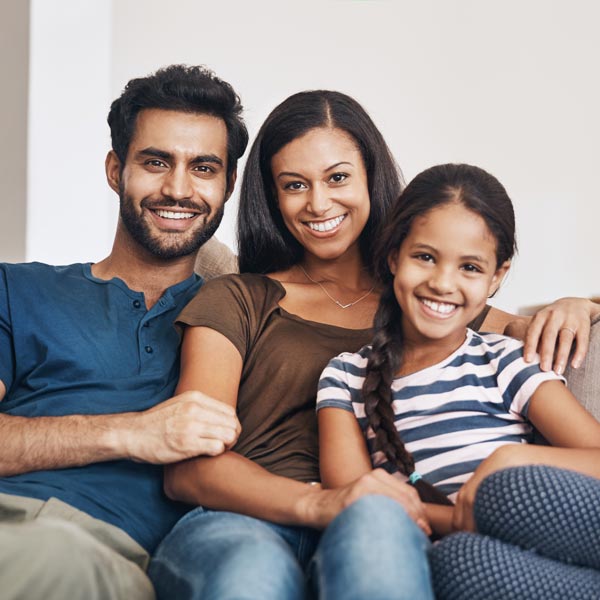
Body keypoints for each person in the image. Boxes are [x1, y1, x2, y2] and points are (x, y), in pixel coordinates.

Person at [149, 92, 598, 599]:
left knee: (382, 530)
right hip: (248, 520)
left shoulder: (424, 301)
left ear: (370, 178)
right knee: (253, 576)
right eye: (294, 185)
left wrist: (581, 304)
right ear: (272, 198)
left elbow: (514, 322)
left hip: (377, 522)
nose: (319, 203)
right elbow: (188, 465)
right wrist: (322, 502)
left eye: (337, 177)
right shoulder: (238, 297)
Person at [0, 64, 247, 600]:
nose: (178, 189)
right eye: (156, 162)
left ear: (228, 184)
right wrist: (132, 433)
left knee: (49, 555)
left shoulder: (237, 317)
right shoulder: (14, 289)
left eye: (203, 168)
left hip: (96, 553)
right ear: (116, 170)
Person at [316, 163, 600, 598]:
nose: (442, 283)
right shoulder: (346, 377)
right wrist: (466, 515)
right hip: (490, 563)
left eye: (469, 267)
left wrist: (512, 460)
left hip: (555, 530)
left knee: (507, 488)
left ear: (497, 277)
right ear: (394, 256)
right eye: (425, 257)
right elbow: (358, 504)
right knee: (462, 563)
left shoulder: (506, 359)